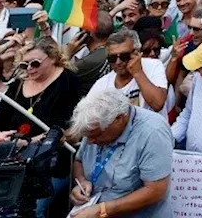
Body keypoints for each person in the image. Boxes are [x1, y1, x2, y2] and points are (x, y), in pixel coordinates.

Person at [67, 89, 173, 218]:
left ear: (119, 118)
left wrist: (102, 210)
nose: (89, 142)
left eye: (97, 135)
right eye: (87, 137)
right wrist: (81, 182)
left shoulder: (153, 132)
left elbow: (155, 190)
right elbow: (80, 161)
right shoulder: (93, 126)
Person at [0, 38, 81, 143]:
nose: (29, 68)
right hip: (13, 150)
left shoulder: (68, 80)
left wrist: (28, 142)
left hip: (48, 151)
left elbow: (68, 128)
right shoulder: (17, 85)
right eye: (24, 65)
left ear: (53, 58)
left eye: (35, 63)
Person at [91, 29, 171, 117]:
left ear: (137, 53)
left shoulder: (153, 65)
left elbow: (158, 104)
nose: (118, 62)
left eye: (124, 56)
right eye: (112, 58)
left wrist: (137, 72)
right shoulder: (102, 84)